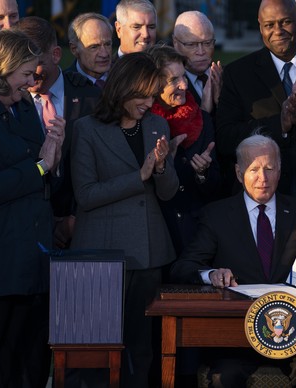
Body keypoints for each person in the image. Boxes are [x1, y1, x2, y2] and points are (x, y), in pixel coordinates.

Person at [172, 134, 296, 387]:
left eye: (269, 168)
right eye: (254, 169)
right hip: (235, 337)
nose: (262, 178)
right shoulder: (217, 215)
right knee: (225, 376)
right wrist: (211, 274)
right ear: (239, 173)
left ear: (280, 170)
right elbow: (182, 268)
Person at [70, 52, 178, 388]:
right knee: (96, 347)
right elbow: (86, 194)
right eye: (143, 95)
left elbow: (169, 192)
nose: (149, 102)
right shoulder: (85, 129)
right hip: (102, 254)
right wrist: (140, 174)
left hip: (148, 253)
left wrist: (160, 168)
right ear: (122, 89)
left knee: (141, 347)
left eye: (153, 94)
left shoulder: (158, 125)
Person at [0, 29, 63, 388]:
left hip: (30, 261)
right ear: (3, 68)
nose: (33, 81)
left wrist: (53, 151)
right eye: (26, 74)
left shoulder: (25, 107)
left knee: (22, 360)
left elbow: (41, 168)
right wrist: (39, 167)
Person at [216, 0, 296, 196]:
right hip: (263, 198)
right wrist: (279, 124)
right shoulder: (237, 74)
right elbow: (225, 138)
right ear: (260, 26)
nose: (277, 31)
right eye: (269, 25)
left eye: (285, 22)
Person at [15, 16, 102, 249]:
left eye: (36, 64)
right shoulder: (11, 102)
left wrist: (75, 219)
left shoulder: (91, 98)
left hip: (82, 228)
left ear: (55, 55)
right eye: (23, 66)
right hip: (27, 229)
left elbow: (102, 165)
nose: (30, 75)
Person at [147, 44, 221, 259]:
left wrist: (203, 173)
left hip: (193, 232)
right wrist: (163, 163)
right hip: (156, 230)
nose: (183, 85)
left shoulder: (202, 119)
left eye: (184, 77)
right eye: (173, 80)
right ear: (153, 83)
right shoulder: (141, 122)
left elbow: (216, 186)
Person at [173, 11, 222, 113]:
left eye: (207, 43)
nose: (201, 52)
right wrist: (204, 111)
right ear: (175, 43)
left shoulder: (228, 78)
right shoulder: (168, 87)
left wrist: (222, 103)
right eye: (191, 44)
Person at [67, 12, 113, 87]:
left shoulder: (125, 76)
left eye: (107, 44)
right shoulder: (62, 85)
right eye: (94, 47)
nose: (104, 54)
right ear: (74, 49)